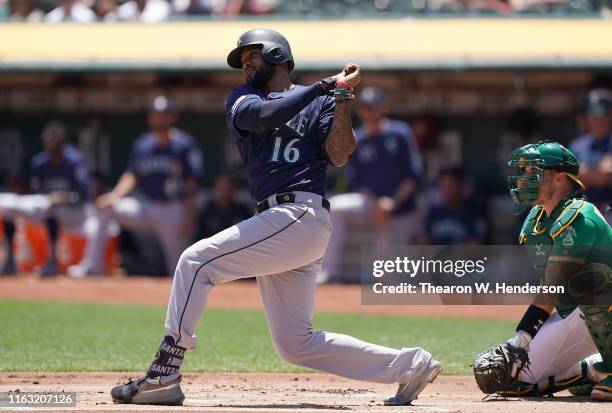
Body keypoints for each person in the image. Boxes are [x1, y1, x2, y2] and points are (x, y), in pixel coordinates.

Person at [109, 28, 441, 407]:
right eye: (242, 59)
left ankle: (163, 373)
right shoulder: (243, 98)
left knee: (195, 261)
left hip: (298, 213)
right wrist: (322, 87)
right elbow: (265, 118)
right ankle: (410, 365)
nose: (245, 64)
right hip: (281, 222)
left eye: (252, 55)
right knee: (295, 344)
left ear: (278, 55)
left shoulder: (322, 101)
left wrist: (342, 98)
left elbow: (340, 154)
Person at [472, 141, 611, 401]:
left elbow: (553, 287)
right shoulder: (536, 222)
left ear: (559, 178)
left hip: (602, 308)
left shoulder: (580, 218)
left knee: (594, 288)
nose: (524, 179)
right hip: (577, 316)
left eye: (533, 172)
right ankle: (591, 370)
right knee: (512, 380)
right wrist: (522, 343)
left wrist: (521, 339)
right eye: (524, 172)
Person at [69, 95, 203, 277]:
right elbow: (132, 175)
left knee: (178, 267)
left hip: (173, 209)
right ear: (150, 117)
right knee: (107, 208)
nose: (160, 118)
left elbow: (191, 183)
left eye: (164, 114)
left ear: (173, 117)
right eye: (156, 114)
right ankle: (92, 266)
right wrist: (114, 196)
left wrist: (189, 215)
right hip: (146, 206)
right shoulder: (143, 145)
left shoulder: (183, 144)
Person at [321, 86, 422, 283]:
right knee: (334, 207)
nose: (369, 112)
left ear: (383, 108)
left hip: (400, 207)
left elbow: (414, 176)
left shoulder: (400, 133)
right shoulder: (358, 137)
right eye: (365, 108)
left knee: (389, 279)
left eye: (373, 107)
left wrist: (391, 203)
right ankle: (328, 271)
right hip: (370, 203)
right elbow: (356, 180)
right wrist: (377, 204)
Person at [0, 121, 91, 276]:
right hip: (47, 207)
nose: (51, 143)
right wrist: (21, 189)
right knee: (6, 203)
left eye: (55, 140)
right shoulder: (39, 162)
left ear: (63, 141)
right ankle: (9, 261)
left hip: (76, 212)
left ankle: (51, 262)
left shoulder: (74, 161)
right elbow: (37, 192)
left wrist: (64, 197)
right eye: (49, 140)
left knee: (53, 208)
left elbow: (84, 194)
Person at [570, 88, 612, 223]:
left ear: (609, 114)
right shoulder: (577, 145)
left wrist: (583, 172)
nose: (595, 118)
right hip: (583, 210)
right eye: (591, 112)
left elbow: (605, 176)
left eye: (600, 112)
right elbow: (569, 177)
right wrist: (597, 172)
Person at [420, 167, 487, 245]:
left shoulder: (474, 212)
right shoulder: (434, 213)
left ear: (461, 186)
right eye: (443, 187)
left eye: (450, 186)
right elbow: (423, 238)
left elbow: (476, 244)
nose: (446, 191)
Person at [193, 174, 251, 241]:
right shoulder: (207, 211)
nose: (225, 192)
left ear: (234, 189)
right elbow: (198, 238)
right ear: (216, 189)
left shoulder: (242, 211)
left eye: (228, 188)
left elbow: (249, 235)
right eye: (222, 188)